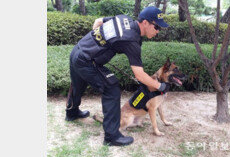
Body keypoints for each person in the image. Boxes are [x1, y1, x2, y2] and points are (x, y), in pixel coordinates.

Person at [65, 6, 170, 146]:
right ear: (145, 22)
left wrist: (92, 45)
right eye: (157, 27)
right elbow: (139, 74)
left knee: (79, 83)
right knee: (111, 88)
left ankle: (72, 113)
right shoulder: (132, 41)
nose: (158, 31)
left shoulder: (124, 19)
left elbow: (98, 22)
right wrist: (160, 86)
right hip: (87, 61)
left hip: (78, 50)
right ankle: (111, 136)